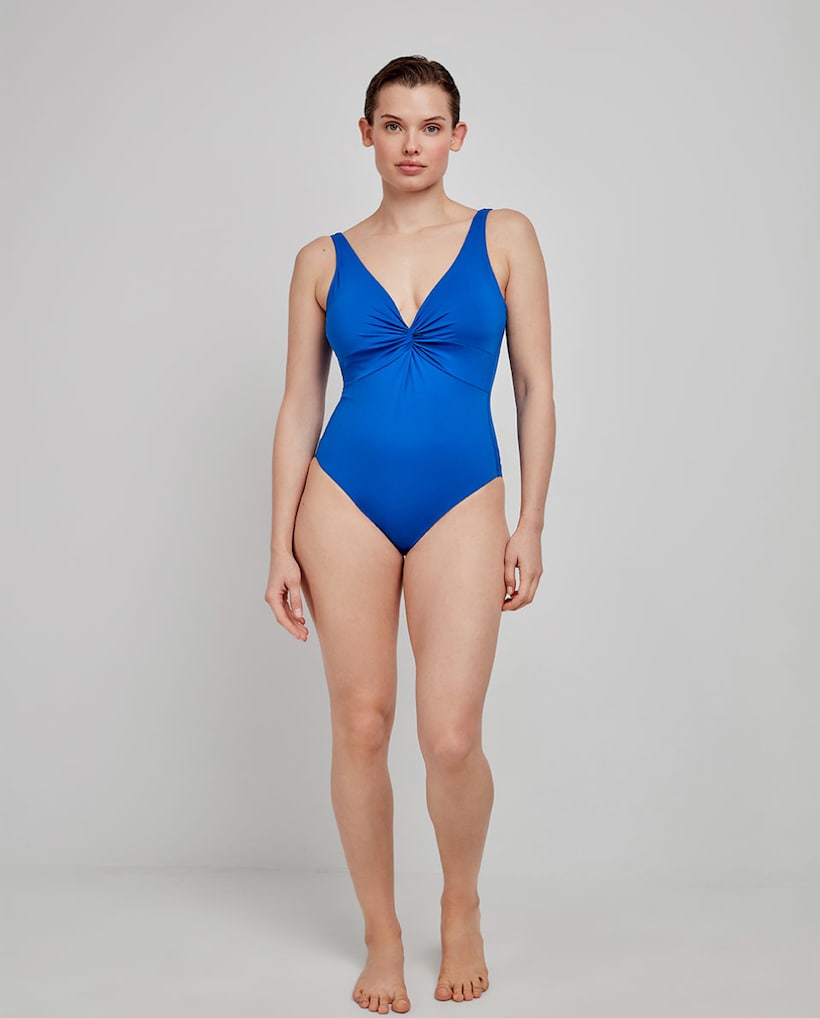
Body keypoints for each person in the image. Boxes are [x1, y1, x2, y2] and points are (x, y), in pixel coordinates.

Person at [266, 54, 555, 1014]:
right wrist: (278, 544)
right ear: (366, 134)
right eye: (393, 125)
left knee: (451, 736)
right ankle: (381, 933)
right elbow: (300, 404)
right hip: (341, 499)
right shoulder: (321, 259)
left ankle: (460, 907)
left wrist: (531, 520)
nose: (412, 144)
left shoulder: (505, 236)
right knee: (361, 724)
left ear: (457, 136)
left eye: (431, 126)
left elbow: (535, 388)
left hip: (463, 497)